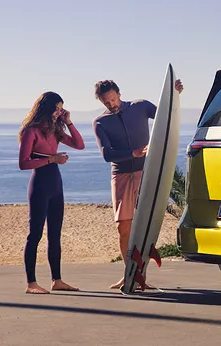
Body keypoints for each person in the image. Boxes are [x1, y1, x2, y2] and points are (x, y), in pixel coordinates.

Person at [93, 76, 181, 290]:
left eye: (113, 99)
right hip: (121, 174)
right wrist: (131, 153)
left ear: (119, 94)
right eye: (106, 102)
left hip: (145, 171)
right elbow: (107, 154)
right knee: (123, 227)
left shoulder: (139, 107)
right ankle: (129, 273)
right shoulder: (100, 123)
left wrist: (175, 96)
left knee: (147, 223)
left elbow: (164, 118)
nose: (111, 105)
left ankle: (142, 271)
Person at [17, 91, 84, 294]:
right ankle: (31, 284)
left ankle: (57, 280)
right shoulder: (32, 131)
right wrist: (52, 159)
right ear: (45, 108)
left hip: (55, 185)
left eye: (61, 108)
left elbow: (80, 145)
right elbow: (23, 163)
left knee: (55, 234)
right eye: (56, 108)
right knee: (34, 235)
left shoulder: (55, 130)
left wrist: (69, 122)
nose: (58, 112)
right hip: (39, 185)